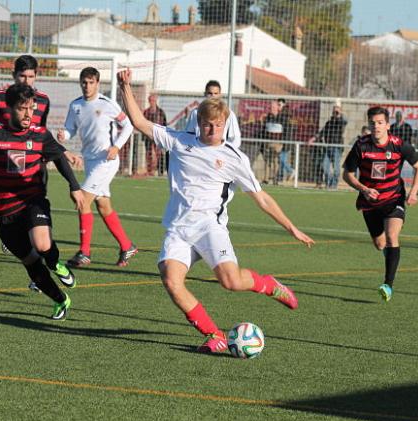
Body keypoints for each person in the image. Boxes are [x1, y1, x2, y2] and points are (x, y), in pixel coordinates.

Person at [118, 68, 315, 353]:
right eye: (208, 124)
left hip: (210, 227)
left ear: (226, 124)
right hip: (179, 229)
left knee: (231, 282)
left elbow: (261, 198)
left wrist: (291, 227)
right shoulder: (179, 141)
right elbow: (138, 121)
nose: (213, 130)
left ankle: (268, 284)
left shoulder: (233, 157)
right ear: (199, 123)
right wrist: (125, 86)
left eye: (219, 125)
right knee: (172, 281)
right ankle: (215, 335)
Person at [0, 83, 84, 320]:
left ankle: (56, 262)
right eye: (22, 109)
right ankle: (60, 300)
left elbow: (59, 157)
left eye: (32, 108)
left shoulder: (39, 134)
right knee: (30, 261)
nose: (29, 114)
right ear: (9, 109)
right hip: (3, 208)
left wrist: (75, 187)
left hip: (32, 199)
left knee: (41, 245)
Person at [58, 67, 138, 268]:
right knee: (103, 205)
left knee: (82, 199)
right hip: (90, 161)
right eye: (84, 82)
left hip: (106, 161)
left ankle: (84, 252)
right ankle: (127, 246)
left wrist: (116, 146)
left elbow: (128, 125)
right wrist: (64, 136)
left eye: (91, 82)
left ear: (97, 83)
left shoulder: (107, 104)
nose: (87, 86)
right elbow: (70, 129)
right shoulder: (75, 105)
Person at [342, 106, 418, 302]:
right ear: (369, 125)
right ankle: (390, 256)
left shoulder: (399, 145)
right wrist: (364, 189)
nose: (376, 126)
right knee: (380, 244)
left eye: (380, 123)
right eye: (373, 123)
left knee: (391, 235)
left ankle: (388, 284)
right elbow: (347, 174)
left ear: (387, 125)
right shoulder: (361, 146)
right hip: (370, 202)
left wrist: (413, 192)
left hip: (394, 198)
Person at [185, 80, 241, 146]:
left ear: (220, 95)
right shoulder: (196, 113)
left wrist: (226, 153)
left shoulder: (228, 113)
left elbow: (235, 139)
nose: (213, 96)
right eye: (210, 93)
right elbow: (189, 134)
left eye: (215, 93)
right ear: (205, 94)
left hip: (219, 153)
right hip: (199, 152)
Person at [307, 103, 348, 189]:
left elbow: (344, 121)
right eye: (334, 110)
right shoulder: (329, 122)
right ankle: (328, 184)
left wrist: (339, 114)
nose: (335, 112)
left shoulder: (341, 121)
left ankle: (334, 185)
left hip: (337, 148)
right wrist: (313, 138)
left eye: (337, 110)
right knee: (325, 167)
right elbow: (322, 132)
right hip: (328, 147)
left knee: (336, 169)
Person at [262, 98, 292, 184]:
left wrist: (283, 143)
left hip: (277, 143)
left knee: (276, 161)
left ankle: (275, 178)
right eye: (270, 107)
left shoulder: (282, 118)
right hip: (268, 142)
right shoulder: (268, 117)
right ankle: (266, 179)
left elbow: (286, 131)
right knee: (267, 161)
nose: (271, 108)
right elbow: (265, 129)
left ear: (276, 108)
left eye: (273, 107)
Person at [143, 93, 168, 176]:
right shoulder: (146, 112)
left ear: (156, 101)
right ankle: (150, 171)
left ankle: (160, 171)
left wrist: (164, 135)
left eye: (153, 100)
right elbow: (142, 123)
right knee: (149, 154)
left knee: (159, 153)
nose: (152, 102)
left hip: (158, 136)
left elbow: (164, 124)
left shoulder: (161, 112)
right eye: (150, 100)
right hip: (148, 136)